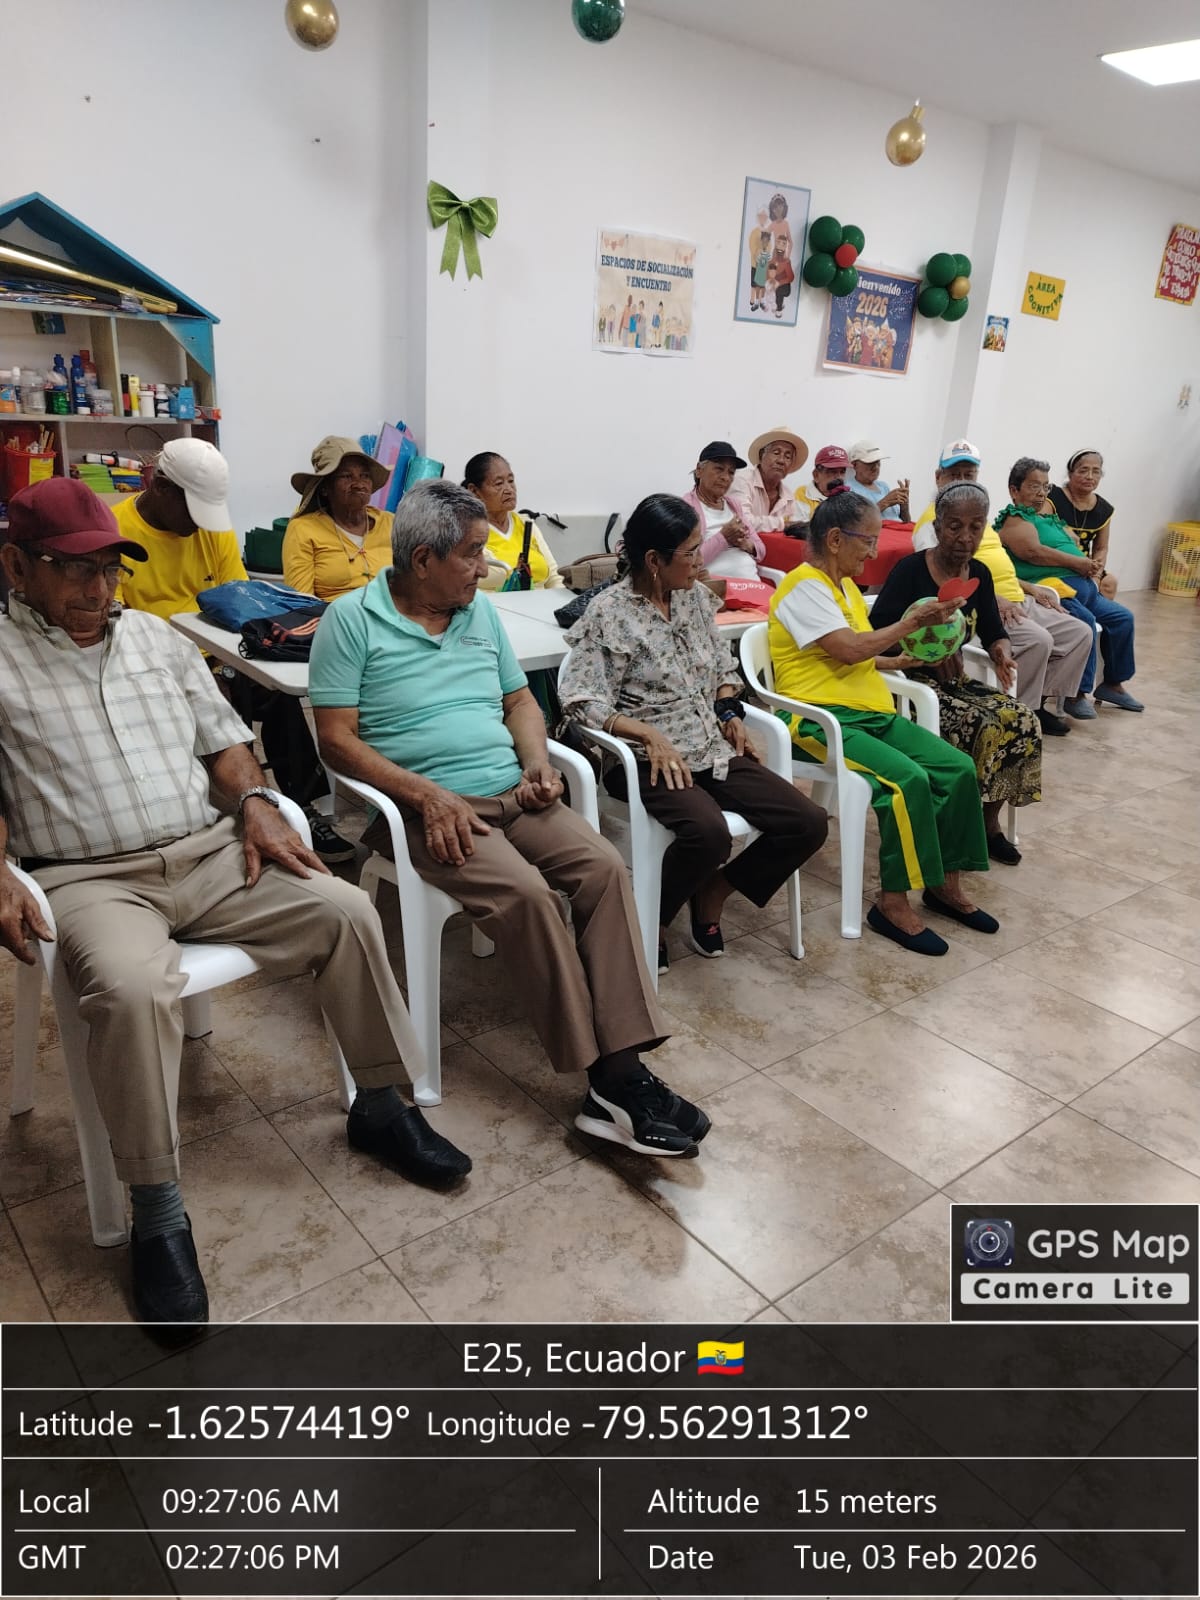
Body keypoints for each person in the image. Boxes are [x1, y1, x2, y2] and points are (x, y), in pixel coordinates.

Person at [0, 479, 470, 1327]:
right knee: (133, 990)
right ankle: (157, 1210)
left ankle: (379, 1107)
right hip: (89, 876)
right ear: (15, 567)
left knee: (345, 911)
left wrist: (253, 799)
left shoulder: (156, 638)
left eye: (108, 569)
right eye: (72, 569)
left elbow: (224, 742)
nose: (97, 589)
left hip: (209, 851)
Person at [310, 480, 709, 1161]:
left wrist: (536, 764)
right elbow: (336, 740)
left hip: (512, 792)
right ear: (424, 559)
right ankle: (605, 1080)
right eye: (472, 553)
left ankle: (623, 1067)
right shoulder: (351, 621)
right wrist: (425, 797)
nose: (484, 566)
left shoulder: (477, 612)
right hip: (425, 810)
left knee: (603, 869)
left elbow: (520, 701)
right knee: (528, 897)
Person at [559, 493, 827, 972]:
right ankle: (653, 918)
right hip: (643, 760)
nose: (701, 559)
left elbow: (722, 665)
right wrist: (646, 734)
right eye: (690, 551)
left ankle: (714, 891)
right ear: (653, 560)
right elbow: (581, 699)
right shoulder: (609, 613)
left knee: (807, 822)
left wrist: (729, 711)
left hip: (710, 748)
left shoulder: (695, 599)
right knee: (708, 834)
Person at [768, 492, 996, 957]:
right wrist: (913, 622)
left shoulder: (846, 589)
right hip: (817, 720)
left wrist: (901, 661)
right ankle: (891, 902)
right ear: (835, 539)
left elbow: (861, 654)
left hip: (869, 712)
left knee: (957, 768)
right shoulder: (803, 586)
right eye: (868, 541)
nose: (874, 552)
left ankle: (944, 884)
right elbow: (849, 649)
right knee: (907, 780)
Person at [114, 438, 355, 863]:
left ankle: (302, 807)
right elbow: (118, 632)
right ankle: (226, 817)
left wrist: (222, 667)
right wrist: (199, 673)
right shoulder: (116, 532)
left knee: (277, 696)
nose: (199, 524)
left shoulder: (211, 530)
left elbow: (240, 604)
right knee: (217, 711)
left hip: (217, 656)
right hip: (153, 667)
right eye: (192, 509)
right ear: (161, 487)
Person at [872, 483, 1043, 865]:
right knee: (984, 724)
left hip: (956, 682)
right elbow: (878, 634)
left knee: (1023, 719)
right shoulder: (910, 571)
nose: (966, 537)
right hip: (910, 684)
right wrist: (921, 655)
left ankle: (988, 823)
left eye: (975, 527)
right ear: (937, 527)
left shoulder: (979, 573)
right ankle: (956, 824)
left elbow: (994, 631)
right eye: (955, 526)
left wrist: (1001, 653)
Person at [911, 439, 1093, 736]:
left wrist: (1030, 588)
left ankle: (1038, 702)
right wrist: (993, 599)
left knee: (1079, 632)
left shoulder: (977, 515)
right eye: (954, 474)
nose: (962, 481)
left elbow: (996, 566)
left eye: (969, 474)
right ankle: (1022, 711)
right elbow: (941, 579)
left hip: (1016, 596)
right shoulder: (934, 522)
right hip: (987, 604)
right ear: (938, 478)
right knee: (1039, 640)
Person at [996, 457, 1142, 715]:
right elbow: (1033, 552)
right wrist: (1078, 563)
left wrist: (1091, 568)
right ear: (1014, 490)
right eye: (1034, 486)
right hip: (1053, 590)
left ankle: (1112, 683)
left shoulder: (1048, 515)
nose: (1041, 493)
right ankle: (1076, 694)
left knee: (1123, 618)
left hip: (1084, 588)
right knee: (1085, 621)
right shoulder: (1015, 519)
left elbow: (1077, 542)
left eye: (1045, 487)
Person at [284, 435, 393, 601]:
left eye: (364, 475)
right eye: (347, 476)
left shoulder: (391, 523)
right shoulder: (303, 529)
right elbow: (301, 603)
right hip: (332, 615)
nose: (359, 484)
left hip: (390, 615)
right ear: (325, 488)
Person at [461, 452, 564, 591]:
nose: (509, 490)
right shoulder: (467, 531)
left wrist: (560, 601)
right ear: (474, 491)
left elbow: (554, 577)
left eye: (511, 481)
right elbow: (489, 574)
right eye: (499, 483)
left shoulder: (526, 524)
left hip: (541, 601)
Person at [681, 440, 765, 580]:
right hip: (713, 587)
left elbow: (761, 550)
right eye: (719, 469)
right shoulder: (686, 507)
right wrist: (724, 537)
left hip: (750, 583)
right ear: (699, 470)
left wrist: (746, 544)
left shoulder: (734, 505)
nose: (725, 477)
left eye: (731, 472)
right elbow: (687, 561)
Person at [1046, 449, 1119, 599]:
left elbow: (1101, 548)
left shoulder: (1104, 509)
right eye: (1083, 470)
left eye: (1096, 471)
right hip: (1056, 562)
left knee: (1109, 583)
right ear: (1070, 473)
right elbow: (1043, 524)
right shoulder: (1052, 496)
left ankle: (1099, 613)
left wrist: (1096, 576)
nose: (1090, 476)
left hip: (1085, 566)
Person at [731, 426, 808, 533]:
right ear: (761, 455)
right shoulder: (742, 480)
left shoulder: (788, 496)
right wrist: (783, 524)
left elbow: (794, 529)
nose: (781, 461)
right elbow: (741, 522)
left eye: (787, 457)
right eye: (776, 453)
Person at [845, 440, 910, 521]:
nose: (876, 467)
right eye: (870, 463)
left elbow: (906, 521)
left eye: (878, 462)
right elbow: (855, 523)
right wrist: (885, 502)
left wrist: (904, 506)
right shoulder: (849, 490)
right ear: (855, 465)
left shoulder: (884, 486)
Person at [792, 444, 851, 523]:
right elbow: (798, 527)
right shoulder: (802, 494)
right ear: (816, 475)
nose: (839, 477)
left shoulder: (846, 495)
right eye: (832, 472)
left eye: (842, 472)